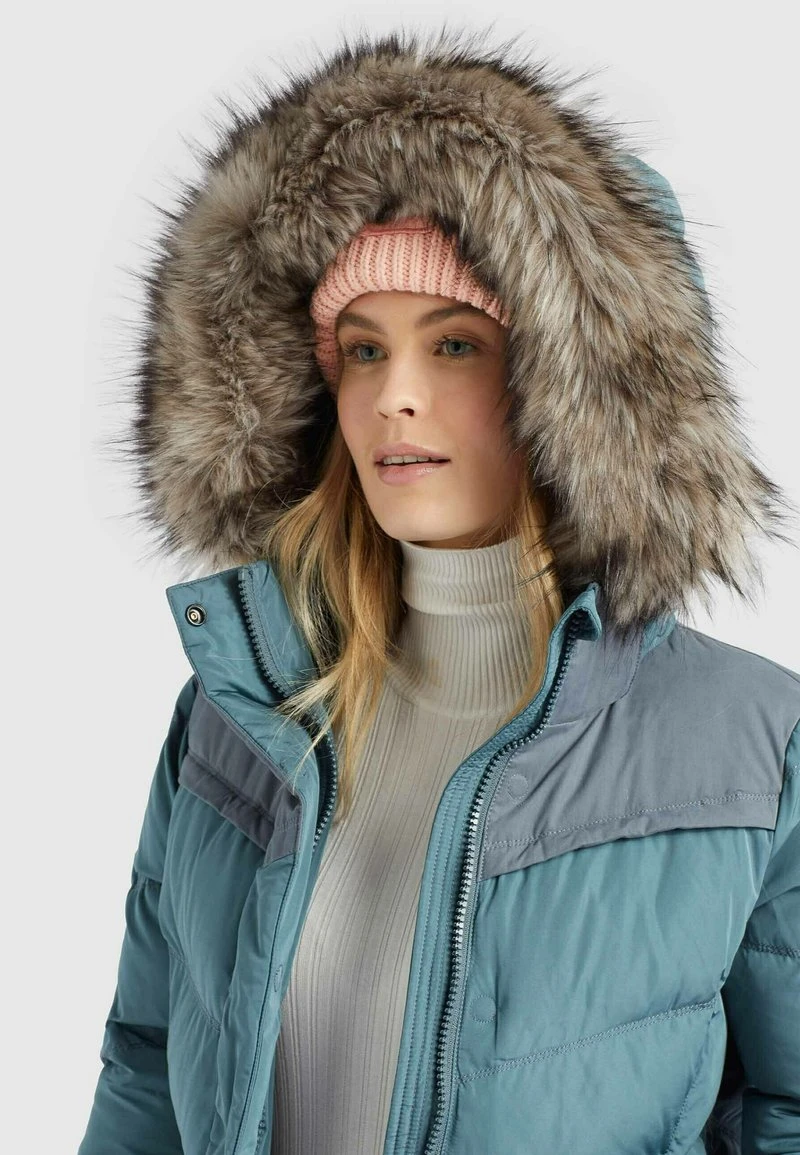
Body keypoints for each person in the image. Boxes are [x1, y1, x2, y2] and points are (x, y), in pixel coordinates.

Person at [78, 25, 800, 1155]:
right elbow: (146, 1069)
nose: (392, 397)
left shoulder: (754, 742)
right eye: (363, 349)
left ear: (581, 388)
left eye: (455, 345)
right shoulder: (238, 716)